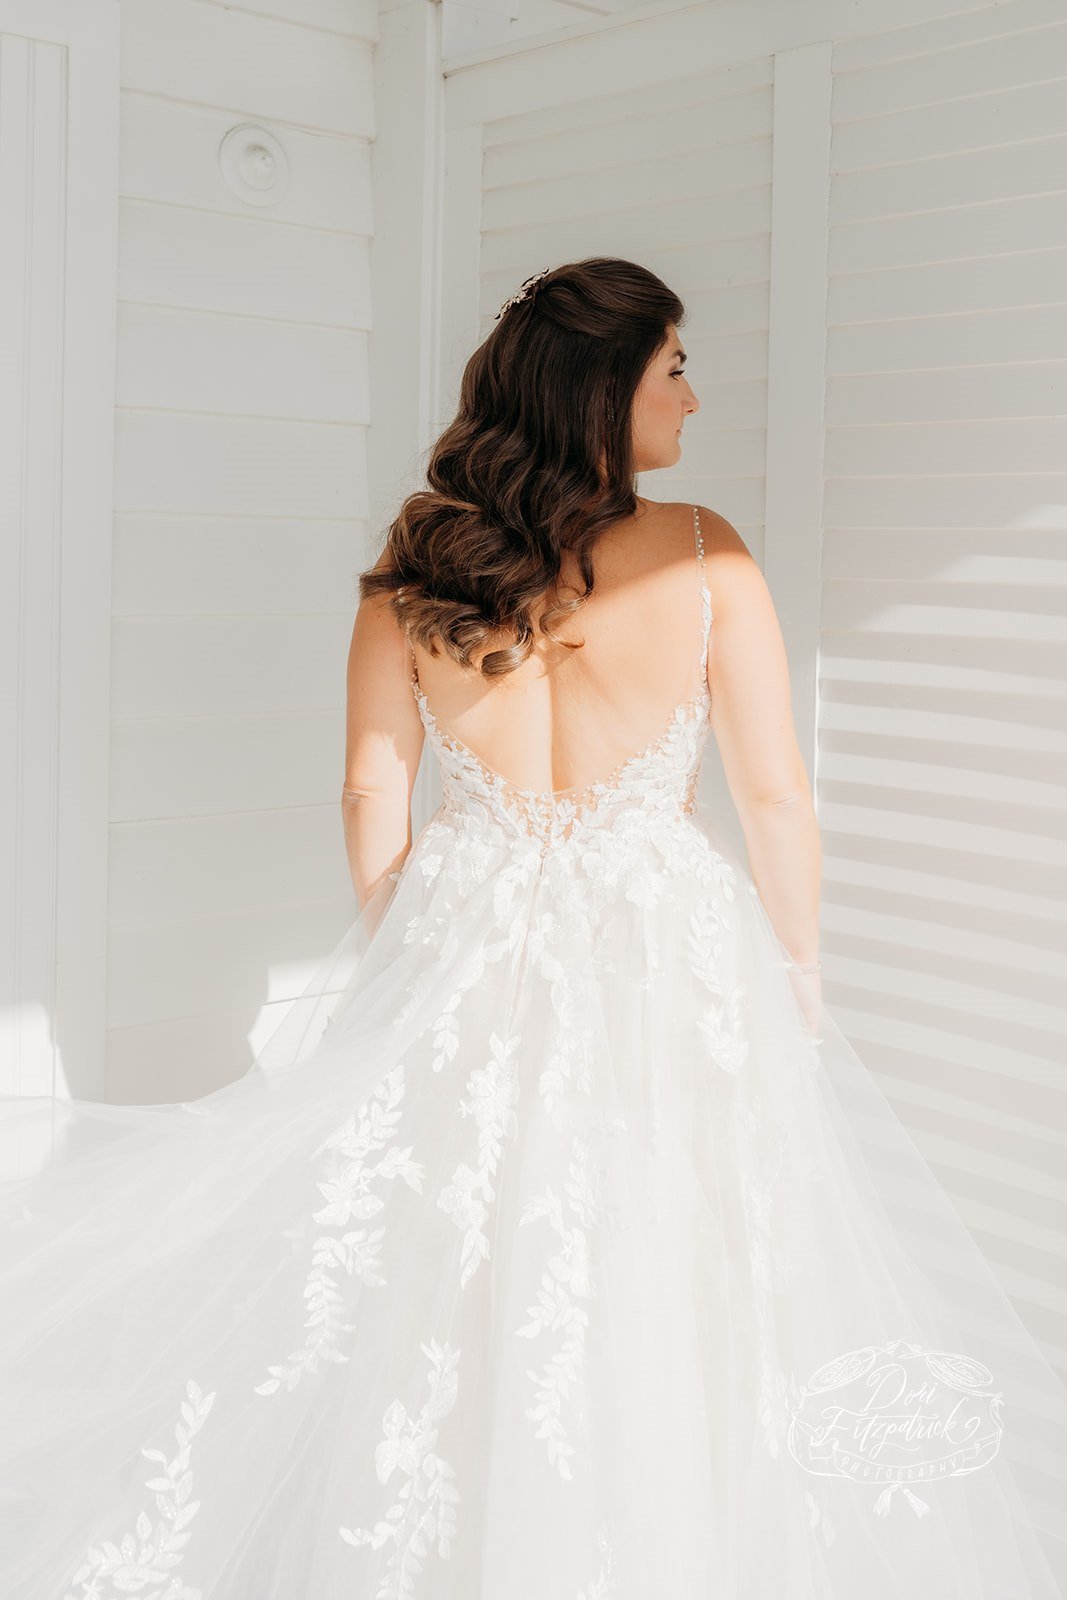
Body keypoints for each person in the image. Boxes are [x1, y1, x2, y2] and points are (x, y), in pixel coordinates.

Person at [0, 256, 1063, 1598]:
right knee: (666, 1257)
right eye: (675, 365)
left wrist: (412, 946)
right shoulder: (703, 550)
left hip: (468, 931)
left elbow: (369, 788)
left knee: (450, 1270)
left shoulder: (416, 571)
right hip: (662, 944)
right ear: (605, 388)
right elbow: (776, 797)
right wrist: (792, 978)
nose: (695, 394)